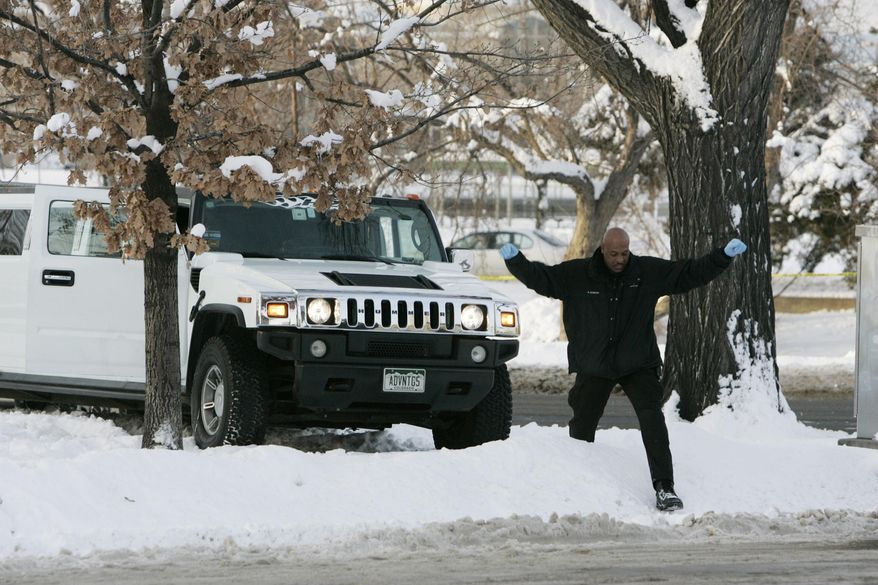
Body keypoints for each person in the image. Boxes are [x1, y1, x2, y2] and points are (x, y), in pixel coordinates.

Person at [500, 228, 747, 512]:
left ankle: (664, 487)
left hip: (637, 361)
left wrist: (722, 257)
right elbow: (542, 279)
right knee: (582, 424)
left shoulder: (645, 273)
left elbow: (688, 273)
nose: (620, 259)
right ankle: (577, 485)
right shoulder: (579, 275)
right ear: (603, 250)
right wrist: (516, 261)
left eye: (625, 253)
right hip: (595, 364)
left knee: (652, 419)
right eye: (614, 254)